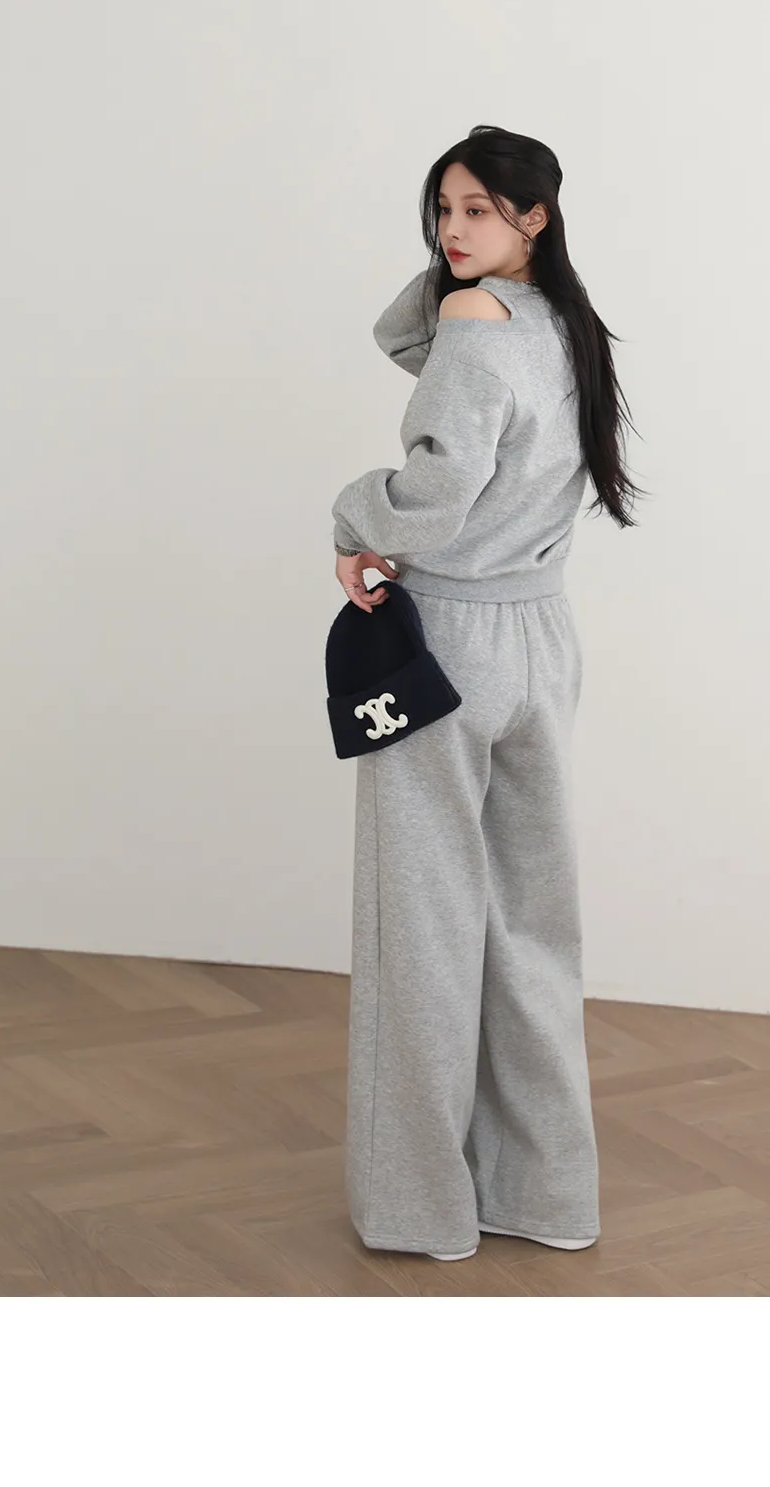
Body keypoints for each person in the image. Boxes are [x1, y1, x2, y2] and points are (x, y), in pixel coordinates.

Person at [331, 124, 648, 1262]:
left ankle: (418, 1207)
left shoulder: (474, 322)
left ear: (535, 217)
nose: (452, 230)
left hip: (450, 641)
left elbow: (434, 488)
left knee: (420, 923)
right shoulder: (567, 326)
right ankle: (545, 1195)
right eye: (442, 210)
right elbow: (402, 336)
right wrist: (474, 265)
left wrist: (352, 517)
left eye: (477, 209)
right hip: (543, 634)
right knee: (531, 926)